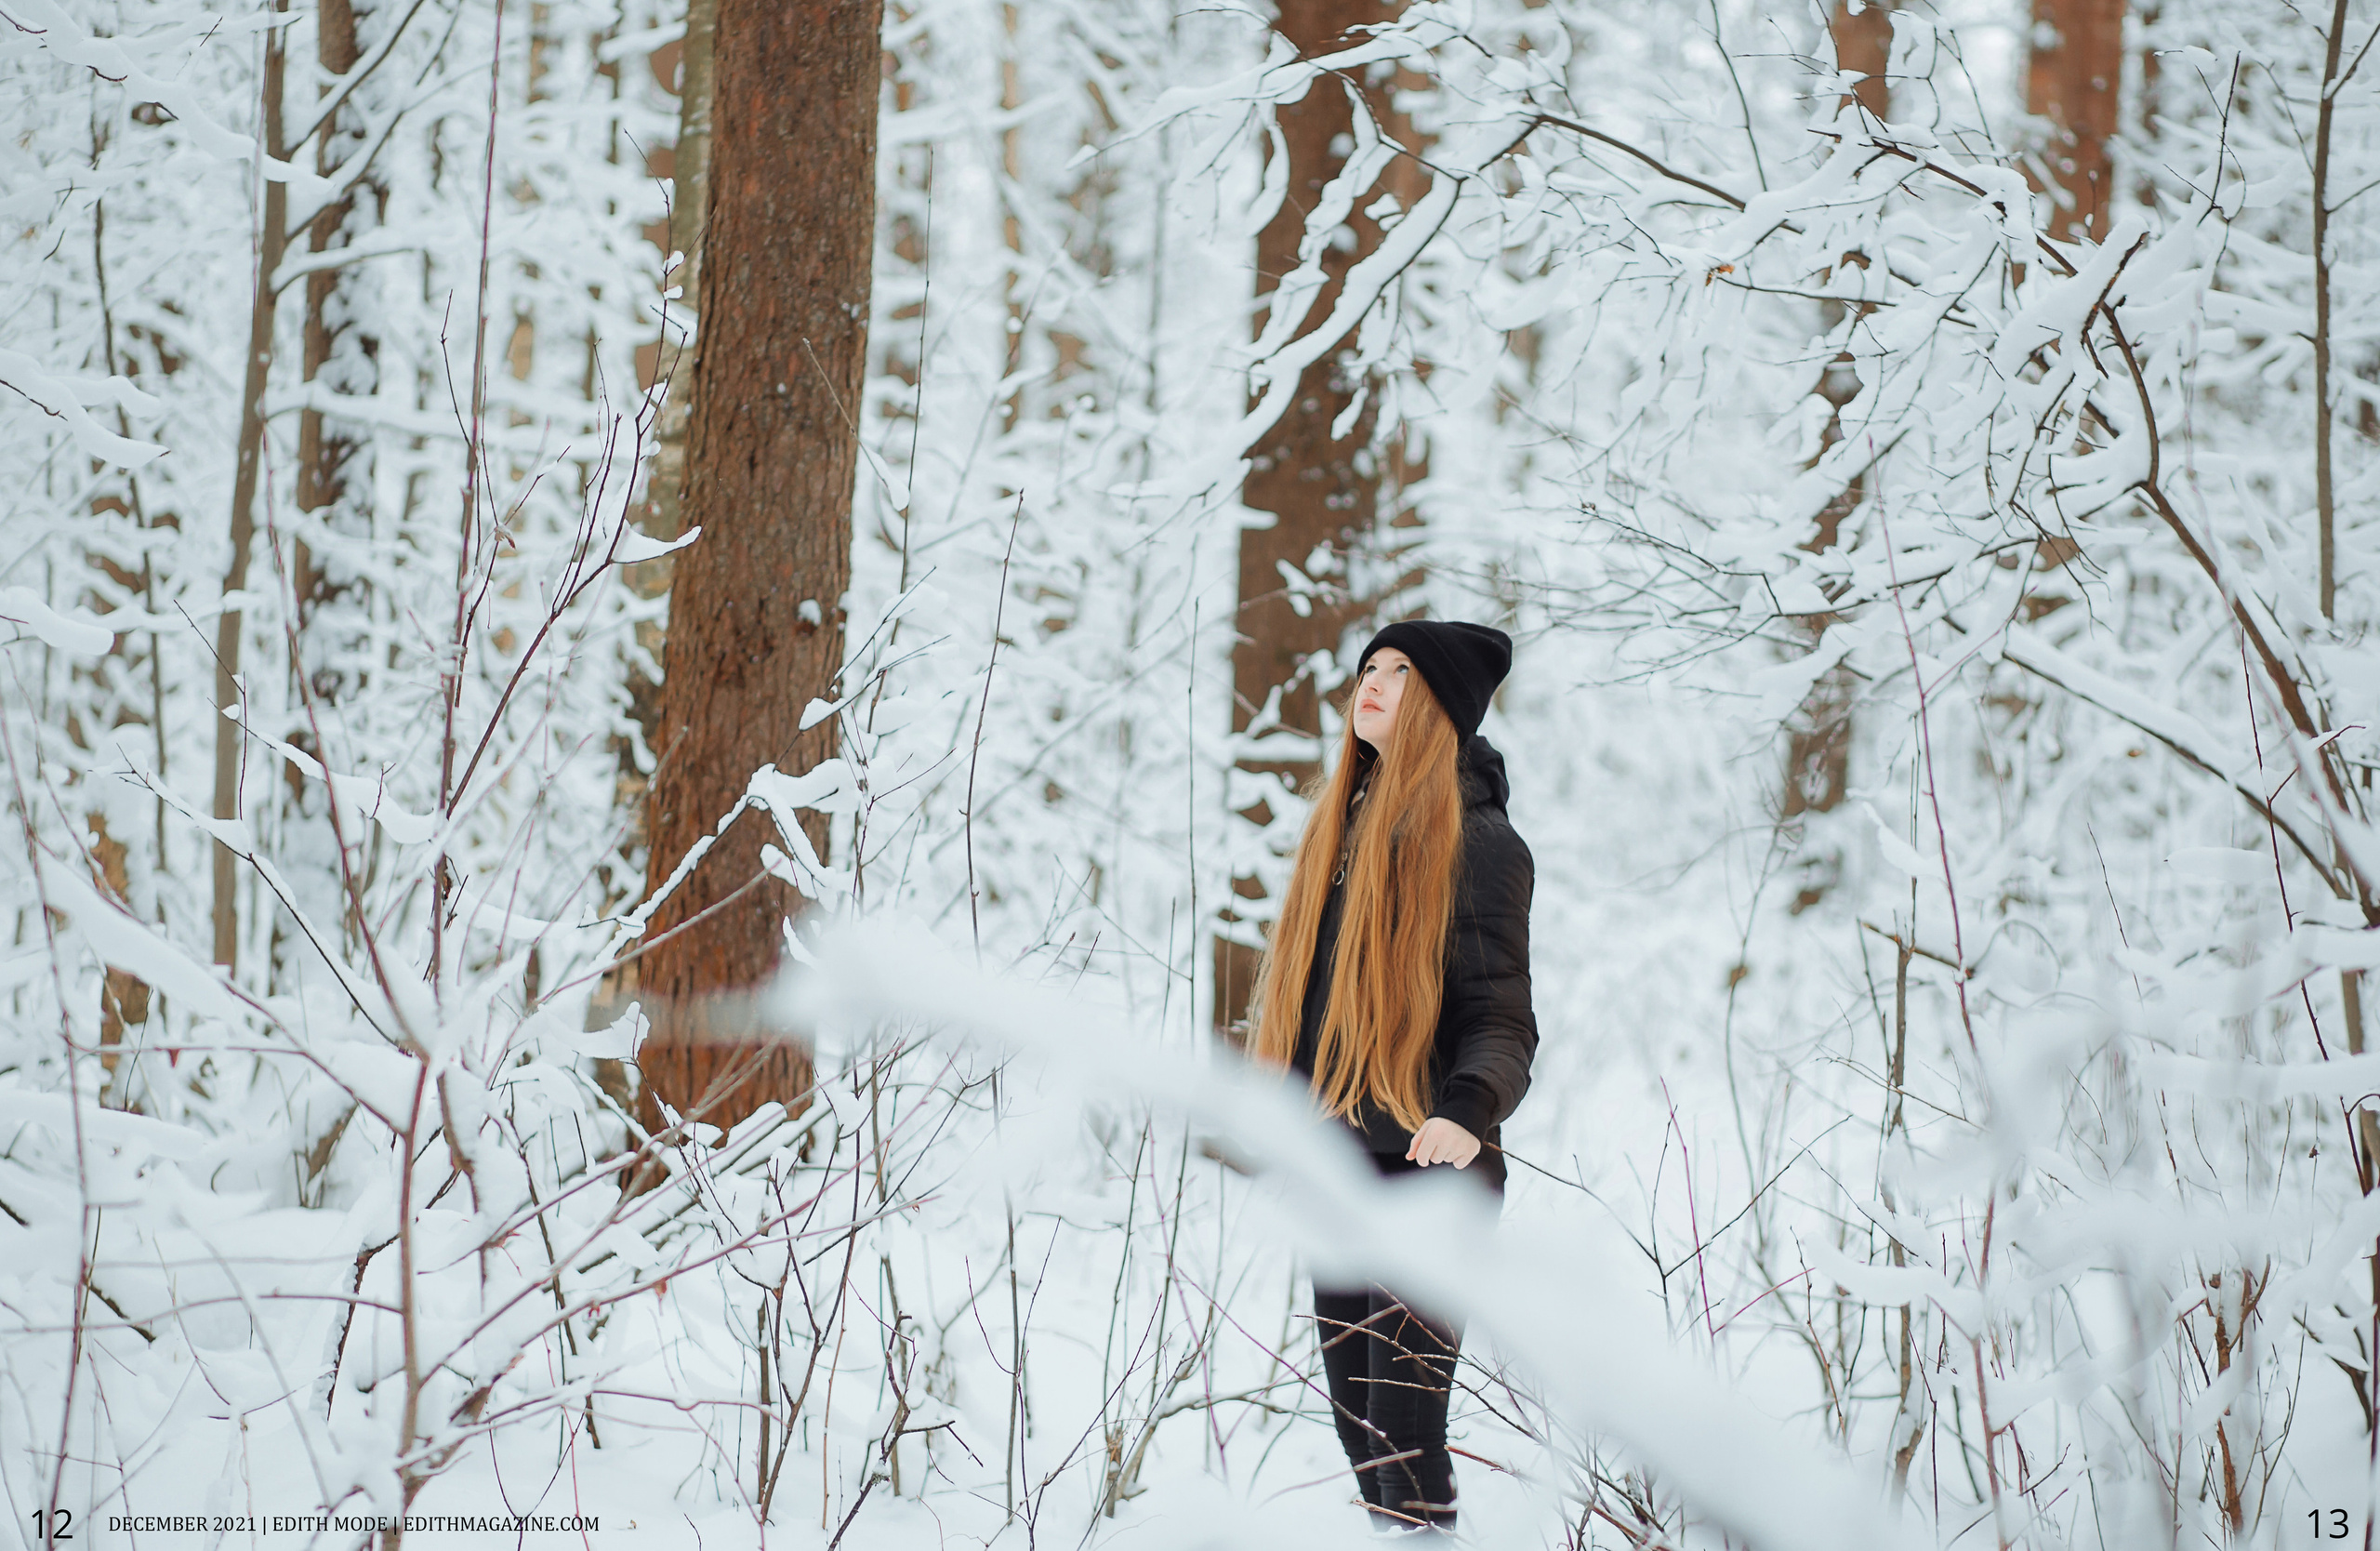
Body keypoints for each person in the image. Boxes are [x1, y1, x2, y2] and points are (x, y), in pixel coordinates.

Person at [1246, 618, 1539, 1535]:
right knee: (1360, 1428)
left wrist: (1465, 1110)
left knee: (1407, 1434)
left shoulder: (1480, 842)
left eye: (1399, 672)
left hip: (1429, 1164)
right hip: (1339, 1163)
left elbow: (1501, 1013)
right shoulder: (1345, 834)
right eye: (1368, 667)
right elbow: (1312, 1010)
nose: (1370, 683)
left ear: (1440, 703)